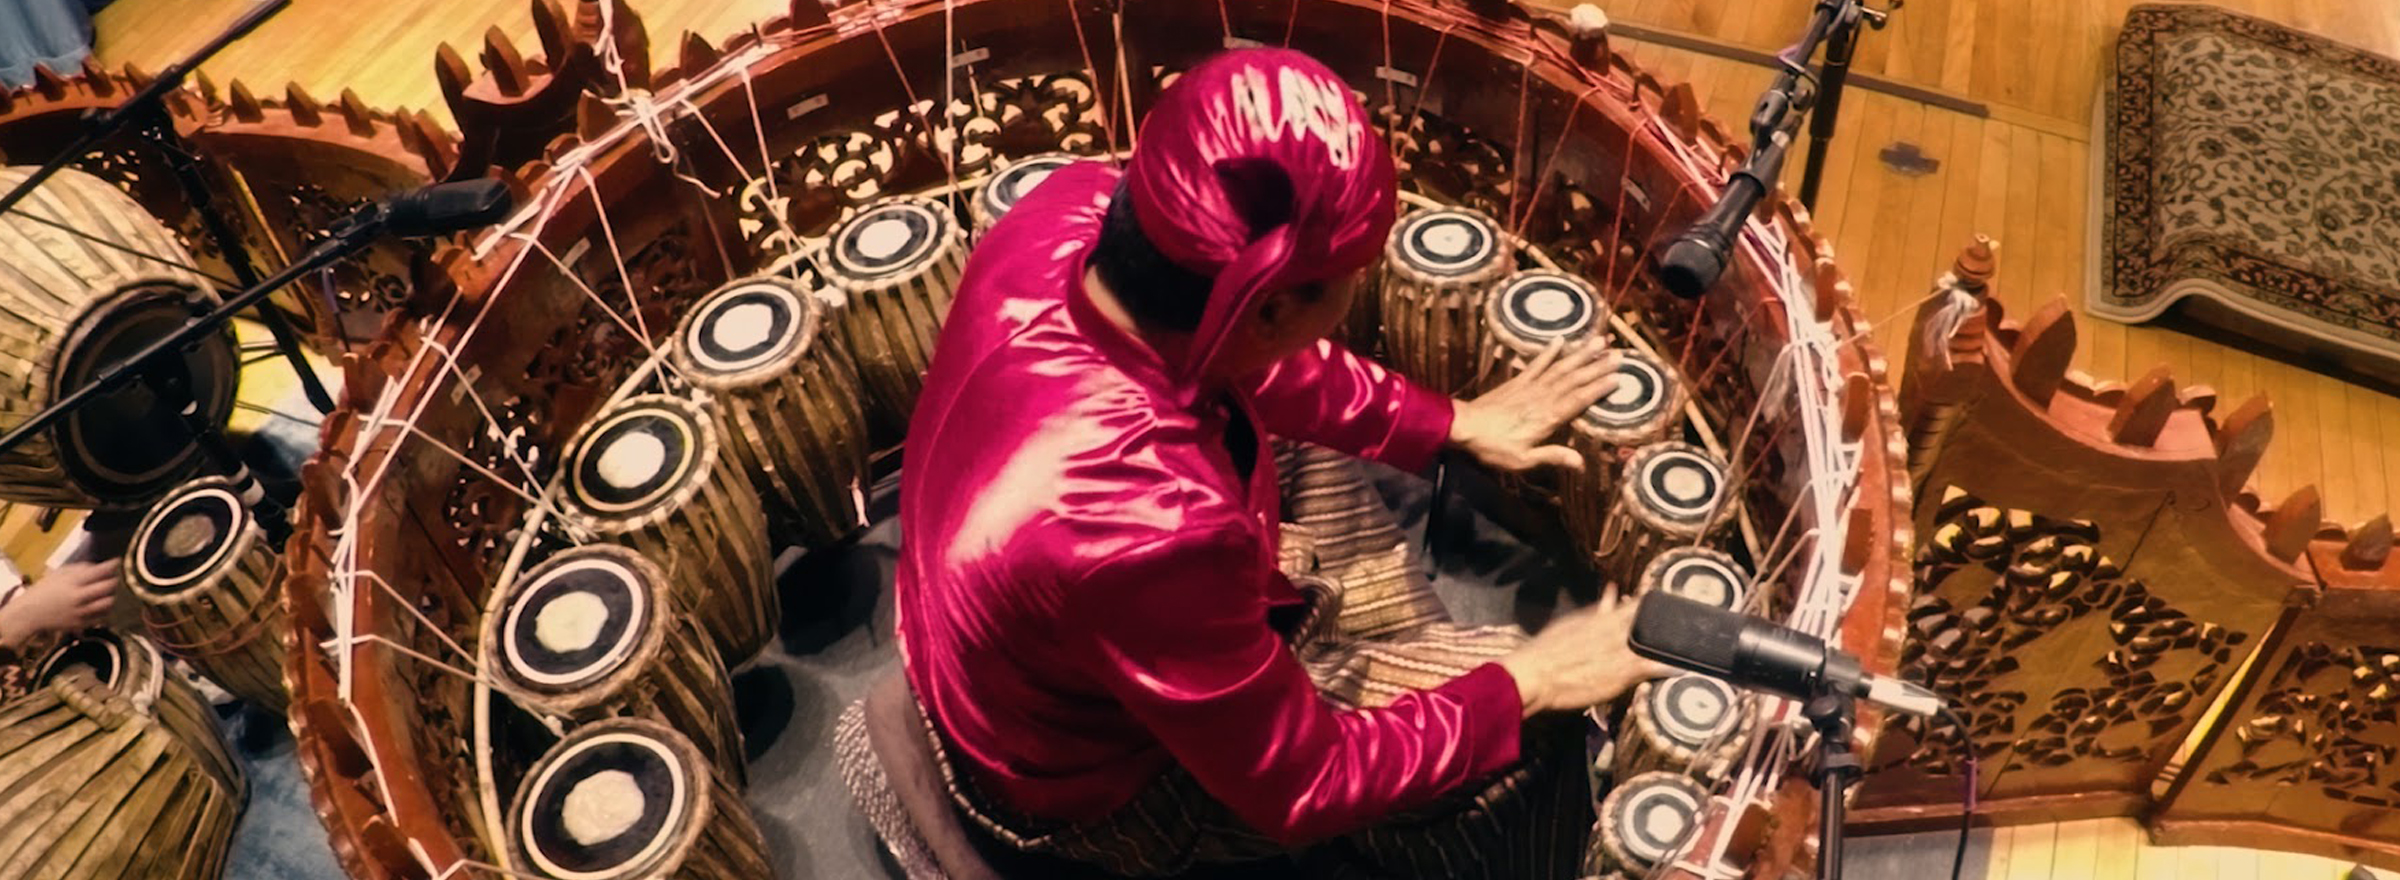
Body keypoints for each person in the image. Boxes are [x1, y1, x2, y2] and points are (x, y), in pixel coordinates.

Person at [891, 48, 1665, 878]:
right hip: (1087, 777)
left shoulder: (1067, 208)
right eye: (1343, 287)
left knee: (1294, 444)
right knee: (1532, 733)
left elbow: (1258, 356)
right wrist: (1530, 682)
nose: (1348, 304)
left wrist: (1449, 422)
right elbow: (1307, 783)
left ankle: (1331, 648)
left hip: (1066, 589)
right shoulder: (1148, 528)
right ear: (1268, 309)